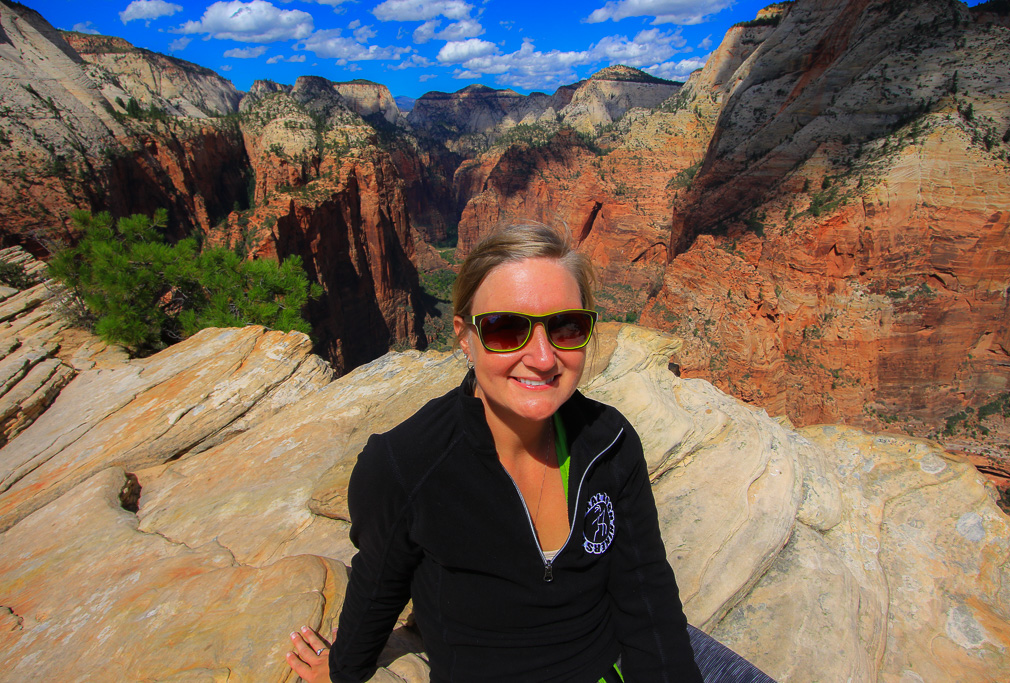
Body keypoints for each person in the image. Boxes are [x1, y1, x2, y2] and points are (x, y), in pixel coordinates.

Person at [286, 224, 770, 682]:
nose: (541, 357)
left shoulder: (609, 443)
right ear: (465, 336)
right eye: (505, 329)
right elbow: (379, 581)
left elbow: (646, 597)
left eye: (565, 328)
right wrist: (342, 669)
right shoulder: (407, 465)